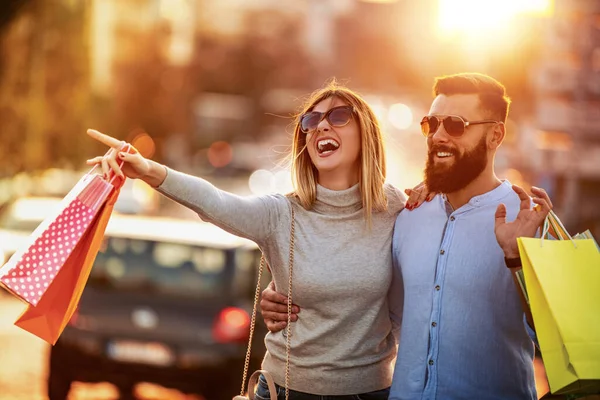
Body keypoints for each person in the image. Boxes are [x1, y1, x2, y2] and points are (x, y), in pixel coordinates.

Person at [86, 81, 432, 400]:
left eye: (339, 116)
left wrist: (438, 188)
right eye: (311, 121)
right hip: (285, 391)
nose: (322, 126)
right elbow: (214, 202)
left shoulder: (397, 208)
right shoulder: (281, 213)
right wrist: (148, 170)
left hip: (369, 393)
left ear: (366, 133)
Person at [259, 73, 553, 400]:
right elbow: (373, 298)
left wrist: (517, 260)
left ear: (495, 134)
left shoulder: (530, 219)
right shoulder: (409, 214)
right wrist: (286, 290)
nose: (439, 136)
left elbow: (556, 338)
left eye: (455, 125)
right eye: (432, 124)